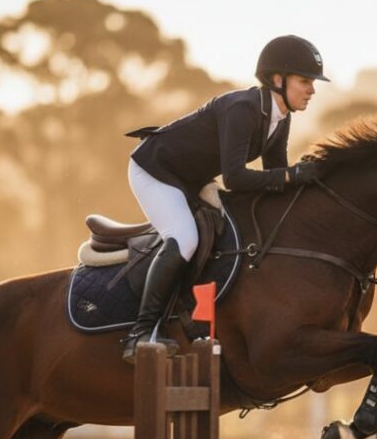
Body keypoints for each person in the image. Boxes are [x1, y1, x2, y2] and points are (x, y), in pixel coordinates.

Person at [122, 35, 329, 364]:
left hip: (192, 178)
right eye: (305, 81)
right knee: (185, 238)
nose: (312, 90)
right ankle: (141, 332)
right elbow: (236, 179)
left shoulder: (279, 117)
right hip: (156, 170)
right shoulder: (242, 109)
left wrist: (308, 182)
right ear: (277, 79)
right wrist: (291, 175)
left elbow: (275, 175)